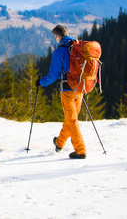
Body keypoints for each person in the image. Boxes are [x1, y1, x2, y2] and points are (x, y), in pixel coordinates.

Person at [36, 25, 87, 159]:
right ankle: (59, 142)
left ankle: (80, 150)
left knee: (72, 119)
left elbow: (53, 75)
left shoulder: (60, 51)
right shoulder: (77, 46)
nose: (55, 39)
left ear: (59, 36)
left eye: (55, 36)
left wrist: (40, 82)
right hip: (80, 88)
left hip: (67, 90)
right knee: (71, 118)